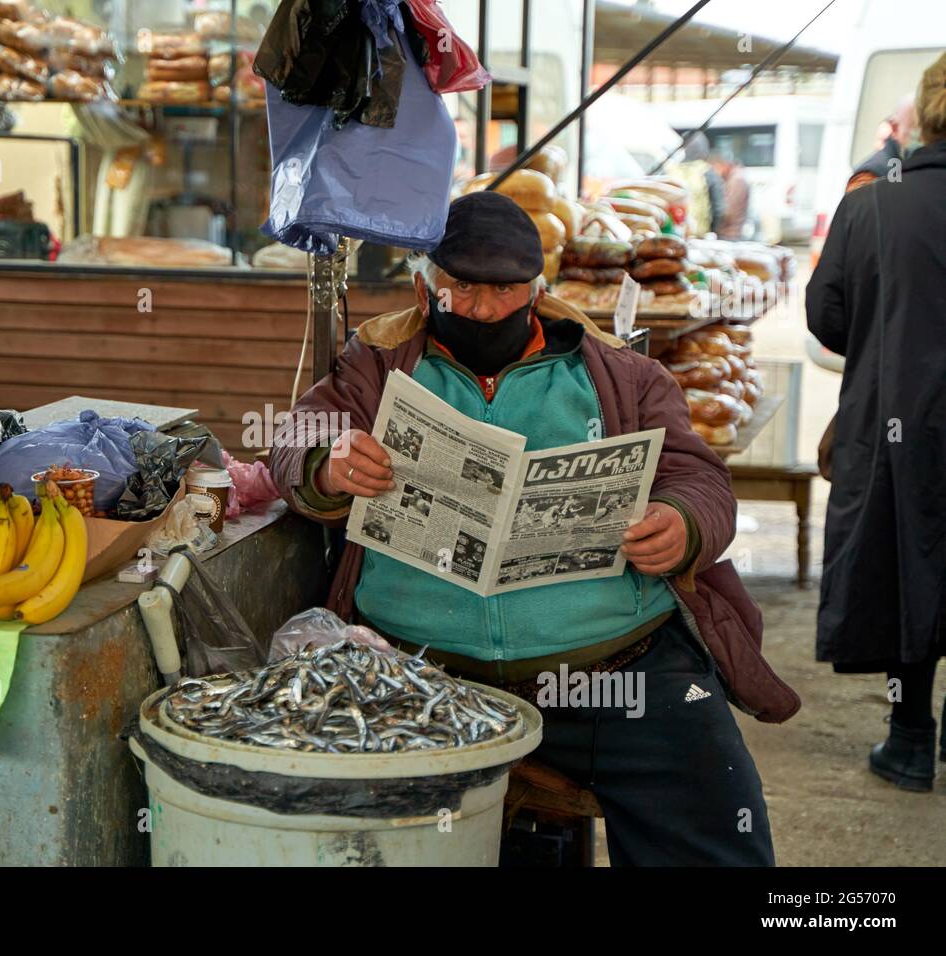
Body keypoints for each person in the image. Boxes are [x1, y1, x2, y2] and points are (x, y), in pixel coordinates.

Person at [270, 191, 800, 866]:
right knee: (359, 839)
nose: (486, 310)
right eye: (462, 289)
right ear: (423, 287)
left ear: (539, 292)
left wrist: (682, 523)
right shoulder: (378, 363)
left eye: (506, 291)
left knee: (719, 838)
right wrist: (329, 461)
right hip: (423, 676)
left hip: (620, 670)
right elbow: (297, 437)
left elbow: (700, 479)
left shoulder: (623, 374)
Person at [806, 54, 946, 793]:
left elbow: (825, 315)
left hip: (902, 420)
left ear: (923, 113)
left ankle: (910, 738)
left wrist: (885, 333)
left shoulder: (871, 205)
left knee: (907, 563)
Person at [847, 94, 919, 191]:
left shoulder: (912, 164)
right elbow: (856, 204)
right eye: (915, 128)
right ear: (894, 128)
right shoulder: (869, 176)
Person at [712, 152, 750, 239]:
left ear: (724, 164)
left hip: (730, 234)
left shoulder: (736, 180)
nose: (716, 172)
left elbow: (728, 211)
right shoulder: (734, 178)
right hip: (730, 233)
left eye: (717, 167)